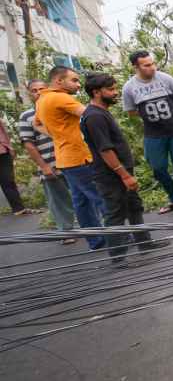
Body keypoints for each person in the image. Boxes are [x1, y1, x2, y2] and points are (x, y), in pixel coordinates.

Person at [81, 73, 166, 266]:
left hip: (120, 173)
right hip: (111, 176)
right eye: (110, 89)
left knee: (134, 207)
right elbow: (105, 150)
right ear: (96, 92)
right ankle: (118, 258)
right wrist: (125, 175)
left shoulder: (101, 111)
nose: (115, 92)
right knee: (115, 214)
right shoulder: (94, 116)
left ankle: (144, 244)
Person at [34, 66, 106, 251]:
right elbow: (92, 114)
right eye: (73, 80)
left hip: (65, 158)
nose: (78, 84)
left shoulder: (42, 99)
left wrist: (58, 135)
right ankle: (125, 236)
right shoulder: (60, 97)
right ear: (59, 81)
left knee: (81, 202)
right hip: (79, 157)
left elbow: (37, 124)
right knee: (101, 197)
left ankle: (96, 241)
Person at [122, 50, 173, 215]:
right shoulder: (129, 87)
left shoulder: (165, 79)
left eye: (153, 63)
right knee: (158, 168)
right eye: (147, 65)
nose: (152, 67)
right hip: (153, 134)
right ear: (136, 67)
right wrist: (150, 119)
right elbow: (131, 112)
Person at [18, 79, 76, 243]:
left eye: (41, 89)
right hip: (50, 164)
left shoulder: (59, 107)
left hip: (72, 160)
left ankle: (94, 228)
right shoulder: (27, 116)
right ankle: (66, 233)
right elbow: (29, 145)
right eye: (34, 90)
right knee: (58, 201)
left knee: (84, 195)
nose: (38, 93)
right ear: (30, 94)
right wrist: (43, 166)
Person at [0, 116, 35, 216]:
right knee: (8, 181)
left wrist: (10, 147)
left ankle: (18, 209)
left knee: (8, 180)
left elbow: (3, 132)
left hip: (2, 152)